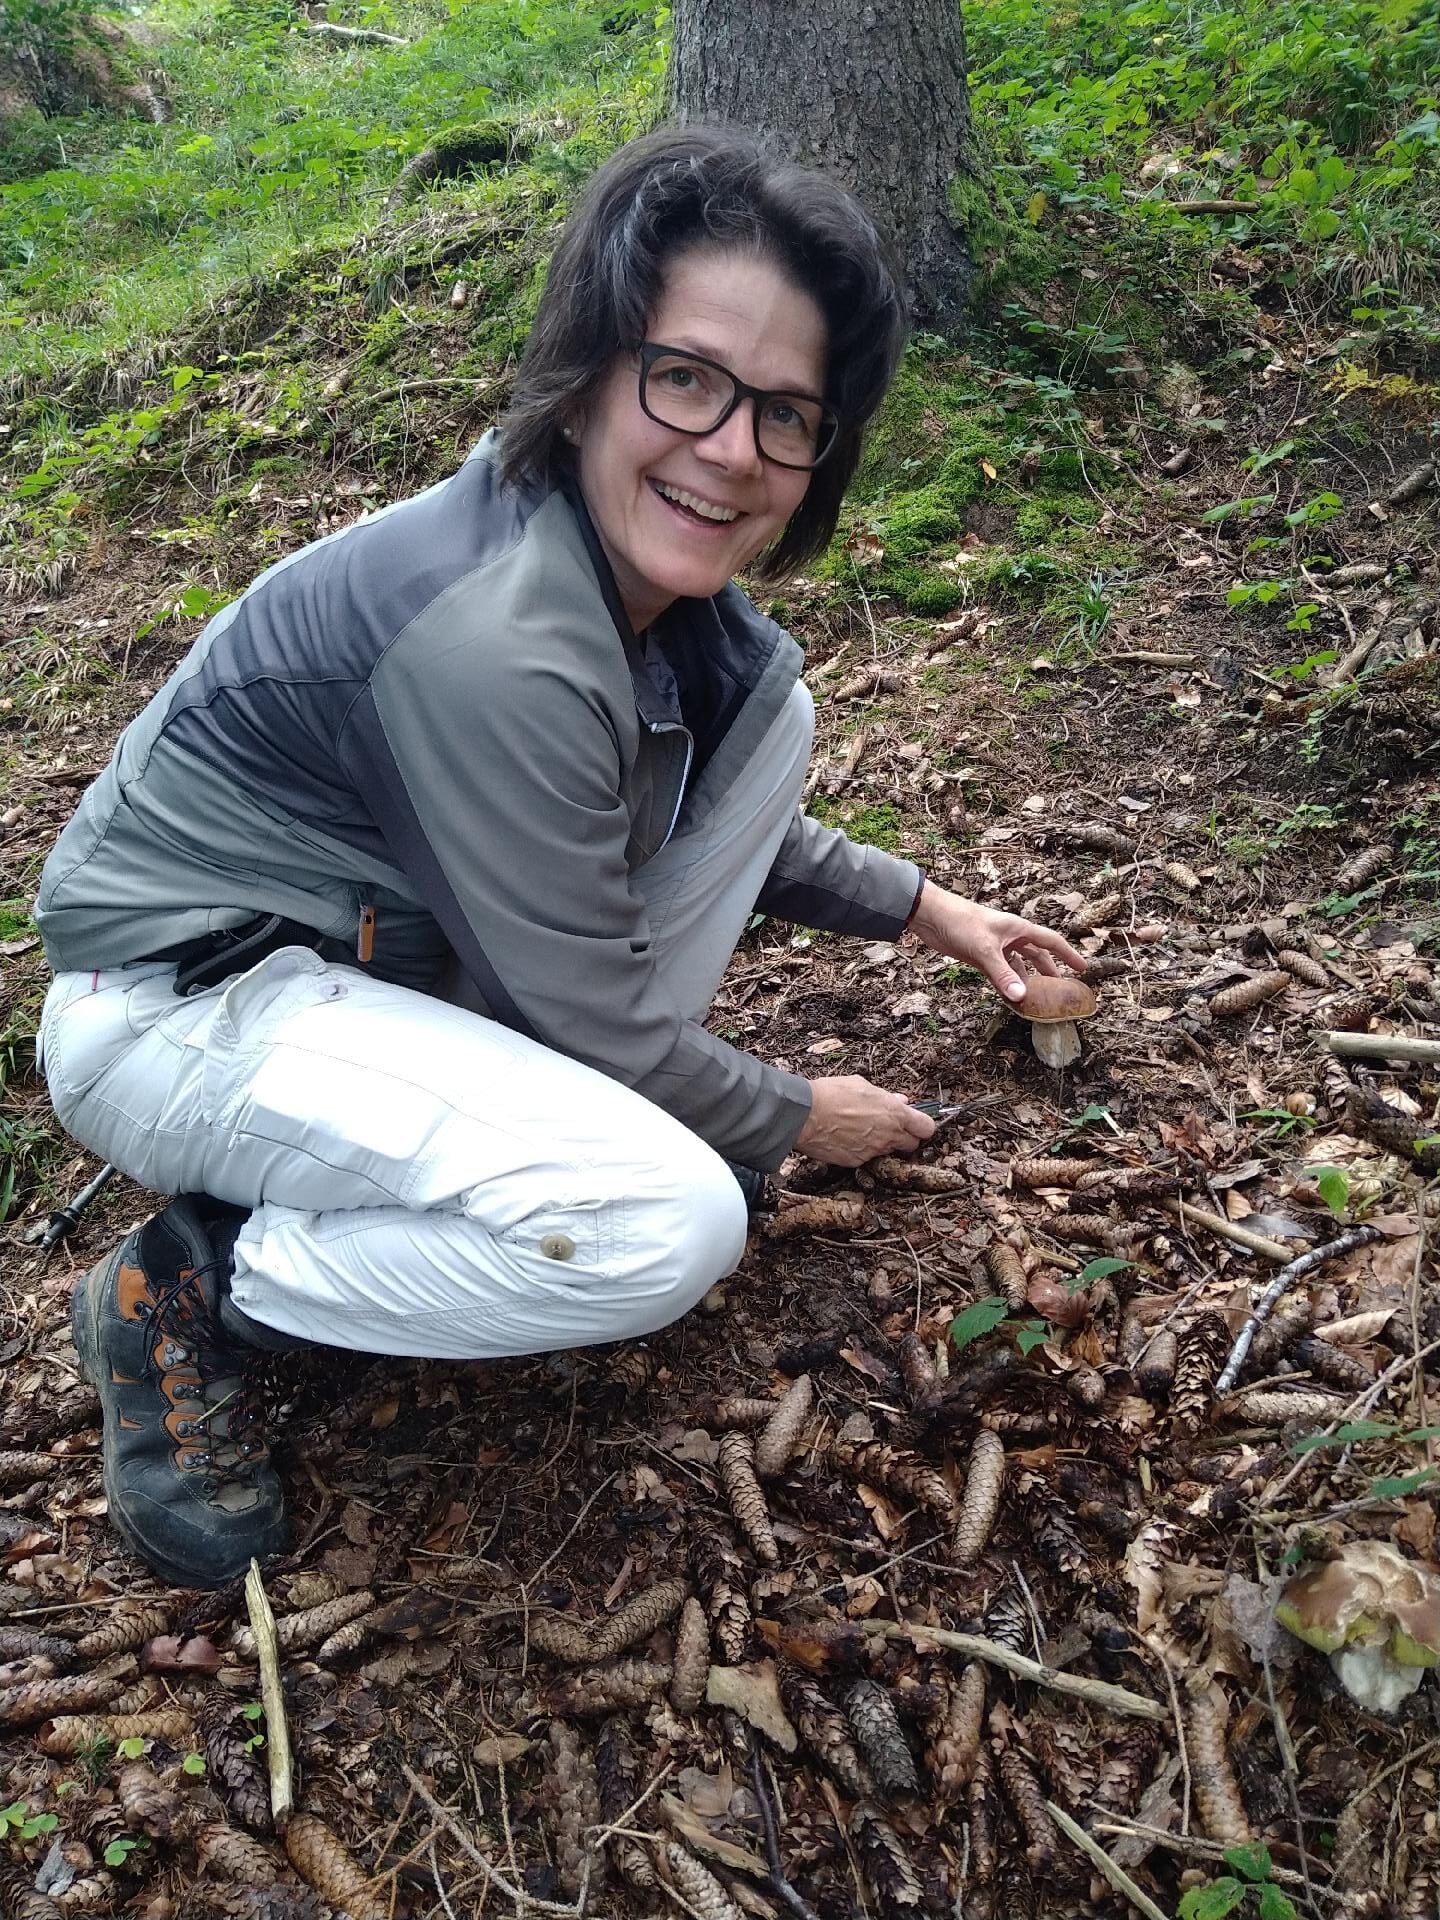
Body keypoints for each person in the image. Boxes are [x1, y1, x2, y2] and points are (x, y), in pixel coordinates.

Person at [34, 125, 1085, 1590]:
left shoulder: (643, 606)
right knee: (666, 1223)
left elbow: (702, 821)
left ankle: (444, 1178)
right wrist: (797, 1117)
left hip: (375, 969)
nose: (735, 450)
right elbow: (592, 1009)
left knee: (770, 718)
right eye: (688, 379)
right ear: (588, 374)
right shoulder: (495, 638)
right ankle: (195, 1289)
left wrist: (931, 912)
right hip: (183, 1007)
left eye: (789, 414)